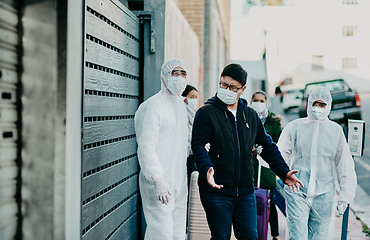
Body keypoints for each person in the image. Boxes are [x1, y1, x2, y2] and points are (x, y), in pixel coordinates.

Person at [191, 63, 303, 240]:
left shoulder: (250, 115)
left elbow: (267, 146)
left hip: (245, 192)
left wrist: (284, 172)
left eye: (232, 87)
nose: (226, 89)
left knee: (251, 236)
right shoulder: (206, 112)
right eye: (223, 85)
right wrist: (206, 169)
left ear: (242, 89)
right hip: (216, 191)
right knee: (221, 237)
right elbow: (198, 145)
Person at [277, 87, 357, 240]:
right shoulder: (295, 127)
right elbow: (279, 155)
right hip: (297, 190)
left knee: (319, 236)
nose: (318, 108)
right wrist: (263, 156)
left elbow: (344, 165)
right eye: (315, 104)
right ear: (309, 104)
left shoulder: (335, 131)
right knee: (297, 235)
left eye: (322, 105)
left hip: (324, 193)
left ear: (329, 106)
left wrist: (345, 196)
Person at [134, 58, 189, 239]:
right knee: (161, 234)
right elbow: (146, 146)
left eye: (183, 74)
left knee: (178, 234)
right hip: (160, 182)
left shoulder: (181, 106)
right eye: (175, 73)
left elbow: (177, 142)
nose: (179, 78)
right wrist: (157, 178)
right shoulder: (154, 105)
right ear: (165, 76)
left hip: (179, 182)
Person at [250, 91, 282, 240]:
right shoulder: (247, 117)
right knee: (251, 202)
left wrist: (264, 150)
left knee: (270, 202)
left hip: (266, 169)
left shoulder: (273, 122)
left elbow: (279, 145)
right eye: (255, 100)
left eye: (261, 100)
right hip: (250, 168)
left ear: (266, 102)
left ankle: (274, 234)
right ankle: (255, 232)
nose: (258, 102)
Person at [181, 85, 199, 182]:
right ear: (184, 97)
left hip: (193, 155)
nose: (194, 100)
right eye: (191, 97)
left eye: (196, 97)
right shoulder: (181, 113)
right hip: (184, 155)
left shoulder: (194, 114)